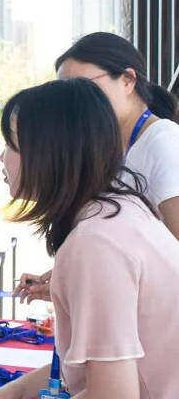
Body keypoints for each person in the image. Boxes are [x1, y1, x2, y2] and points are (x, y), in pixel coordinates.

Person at [0, 78, 179, 399]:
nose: (2, 159)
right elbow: (118, 360)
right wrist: (24, 388)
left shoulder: (95, 243)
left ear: (50, 153)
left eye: (11, 144)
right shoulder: (119, 212)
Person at [15, 32, 179, 303]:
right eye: (66, 95)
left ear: (128, 80)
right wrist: (70, 276)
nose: (72, 105)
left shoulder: (163, 143)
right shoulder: (117, 147)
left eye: (85, 88)